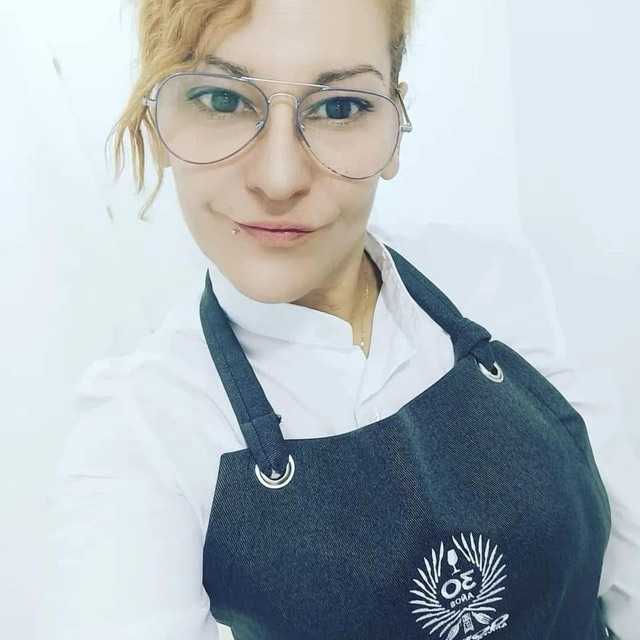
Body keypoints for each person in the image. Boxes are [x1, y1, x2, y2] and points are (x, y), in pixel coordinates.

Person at [36, 1, 638, 639]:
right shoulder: (139, 436)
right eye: (220, 100)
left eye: (340, 107)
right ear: (156, 121)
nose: (279, 178)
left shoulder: (492, 277)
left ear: (395, 125)